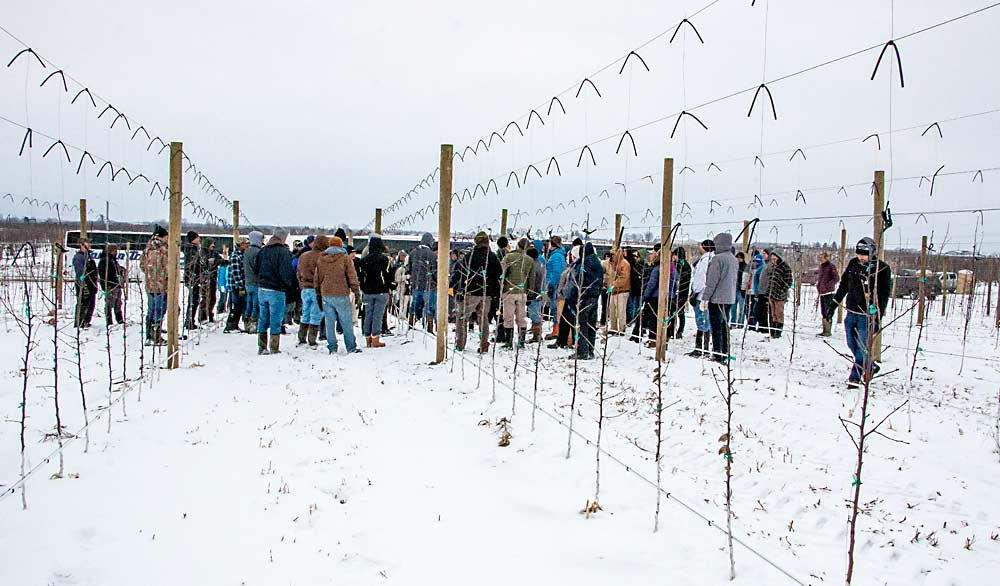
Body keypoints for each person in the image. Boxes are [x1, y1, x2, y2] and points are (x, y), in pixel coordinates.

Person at [825, 238, 892, 388]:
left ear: (872, 253)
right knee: (851, 344)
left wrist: (876, 317)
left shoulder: (882, 269)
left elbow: (883, 295)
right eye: (859, 253)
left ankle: (854, 377)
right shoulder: (853, 264)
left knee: (862, 347)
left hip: (866, 315)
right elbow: (843, 286)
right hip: (851, 311)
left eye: (864, 254)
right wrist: (833, 306)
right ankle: (871, 366)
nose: (861, 257)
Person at [453, 232, 502, 352]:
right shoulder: (492, 257)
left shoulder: (469, 256)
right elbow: (499, 275)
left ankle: (460, 344)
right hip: (486, 293)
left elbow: (462, 273)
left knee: (462, 318)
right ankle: (484, 345)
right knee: (483, 319)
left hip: (470, 292)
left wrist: (460, 289)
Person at [250, 228, 296, 355]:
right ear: (282, 238)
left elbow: (256, 268)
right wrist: (290, 286)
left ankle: (262, 346)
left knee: (263, 317)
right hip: (276, 290)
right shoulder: (283, 252)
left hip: (262, 288)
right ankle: (274, 347)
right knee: (276, 318)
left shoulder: (263, 251)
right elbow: (286, 272)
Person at [316, 235, 362, 354]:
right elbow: (352, 278)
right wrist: (357, 294)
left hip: (326, 294)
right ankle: (351, 347)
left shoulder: (321, 259)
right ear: (341, 246)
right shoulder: (345, 259)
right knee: (346, 322)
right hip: (341, 293)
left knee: (329, 323)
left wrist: (318, 294)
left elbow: (317, 279)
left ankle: (332, 347)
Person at [701, 232, 738, 363]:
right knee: (724, 326)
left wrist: (705, 298)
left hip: (717, 299)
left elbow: (712, 282)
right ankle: (725, 351)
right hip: (729, 298)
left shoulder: (717, 259)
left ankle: (717, 354)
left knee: (716, 327)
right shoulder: (733, 258)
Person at [564, 242, 604, 360]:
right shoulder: (598, 264)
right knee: (591, 325)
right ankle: (590, 350)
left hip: (584, 297)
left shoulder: (583, 264)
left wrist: (572, 298)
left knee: (582, 325)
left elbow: (577, 281)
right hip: (595, 297)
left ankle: (582, 352)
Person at [500, 238, 536, 349]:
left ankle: (509, 342)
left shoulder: (508, 258)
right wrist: (529, 291)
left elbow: (502, 275)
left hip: (509, 291)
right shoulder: (530, 260)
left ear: (517, 246)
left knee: (508, 317)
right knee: (521, 317)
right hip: (522, 292)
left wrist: (501, 289)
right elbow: (532, 278)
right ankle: (521, 341)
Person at [359, 235, 394, 348]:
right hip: (381, 291)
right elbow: (388, 275)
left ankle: (367, 339)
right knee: (378, 316)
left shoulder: (363, 261)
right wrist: (391, 286)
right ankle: (376, 339)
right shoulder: (384, 260)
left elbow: (360, 276)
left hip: (367, 292)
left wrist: (363, 287)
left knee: (368, 314)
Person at [140, 225, 169, 344]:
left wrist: (150, 275)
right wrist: (163, 277)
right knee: (160, 310)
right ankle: (156, 335)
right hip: (161, 285)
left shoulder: (147, 249)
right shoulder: (163, 250)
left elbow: (142, 265)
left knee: (151, 310)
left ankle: (149, 333)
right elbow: (168, 268)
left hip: (150, 285)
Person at [296, 234, 326, 346]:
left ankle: (301, 336)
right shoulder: (322, 257)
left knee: (305, 313)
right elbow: (322, 275)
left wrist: (301, 284)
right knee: (316, 314)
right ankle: (312, 339)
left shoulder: (303, 256)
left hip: (305, 289)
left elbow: (298, 273)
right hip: (316, 289)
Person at [687, 239, 715, 357]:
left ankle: (701, 348)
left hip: (701, 295)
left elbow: (700, 280)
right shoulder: (711, 259)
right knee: (705, 321)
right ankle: (703, 347)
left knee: (702, 320)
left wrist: (694, 292)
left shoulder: (705, 261)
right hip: (707, 295)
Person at [408, 233, 437, 332]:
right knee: (429, 307)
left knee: (414, 305)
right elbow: (434, 271)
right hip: (429, 286)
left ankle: (411, 324)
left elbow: (409, 269)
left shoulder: (412, 253)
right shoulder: (432, 255)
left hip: (416, 285)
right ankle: (429, 328)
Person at [631, 248, 660, 345]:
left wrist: (645, 295)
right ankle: (638, 334)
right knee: (644, 316)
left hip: (651, 295)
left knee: (647, 317)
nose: (650, 256)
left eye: (653, 254)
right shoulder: (651, 266)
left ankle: (647, 337)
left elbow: (651, 283)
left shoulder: (655, 268)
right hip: (649, 294)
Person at [764, 250, 793, 339]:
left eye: (775, 256)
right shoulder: (773, 267)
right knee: (773, 314)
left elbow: (789, 281)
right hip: (771, 294)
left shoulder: (785, 267)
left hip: (779, 295)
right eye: (772, 256)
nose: (773, 258)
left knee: (779, 313)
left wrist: (782, 290)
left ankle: (778, 331)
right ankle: (773, 331)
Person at [225, 237, 249, 333]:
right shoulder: (236, 256)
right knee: (236, 306)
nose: (247, 245)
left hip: (240, 286)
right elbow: (236, 273)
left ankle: (234, 324)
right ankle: (230, 324)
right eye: (246, 243)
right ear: (241, 244)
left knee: (240, 305)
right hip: (236, 287)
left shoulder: (242, 255)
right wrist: (241, 285)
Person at [72, 238, 98, 328]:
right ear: (82, 245)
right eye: (88, 244)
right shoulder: (79, 257)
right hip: (84, 284)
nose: (89, 246)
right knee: (83, 303)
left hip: (91, 283)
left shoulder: (88, 256)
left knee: (90, 303)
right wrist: (83, 285)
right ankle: (80, 322)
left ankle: (86, 321)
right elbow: (80, 272)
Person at [97, 244, 125, 326]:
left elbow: (116, 270)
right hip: (110, 285)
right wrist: (109, 282)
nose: (116, 252)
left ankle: (119, 320)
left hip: (116, 285)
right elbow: (104, 273)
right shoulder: (105, 261)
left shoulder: (112, 260)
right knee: (109, 304)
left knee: (118, 303)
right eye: (115, 251)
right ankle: (109, 322)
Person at [544, 236, 566, 338]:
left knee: (555, 309)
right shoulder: (558, 255)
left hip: (555, 286)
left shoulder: (556, 256)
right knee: (554, 309)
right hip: (556, 285)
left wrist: (550, 284)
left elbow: (557, 272)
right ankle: (556, 330)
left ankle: (556, 331)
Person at [667, 246, 691, 339]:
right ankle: (680, 330)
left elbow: (676, 279)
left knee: (672, 312)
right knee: (680, 312)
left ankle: (672, 330)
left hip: (677, 292)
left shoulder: (677, 265)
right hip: (684, 292)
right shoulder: (687, 265)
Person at [182, 231, 204, 329]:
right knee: (193, 300)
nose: (199, 239)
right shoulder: (191, 251)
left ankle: (190, 320)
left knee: (194, 299)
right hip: (193, 278)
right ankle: (189, 321)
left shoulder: (193, 249)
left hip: (193, 277)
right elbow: (193, 264)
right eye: (198, 237)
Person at [243, 230, 264, 332]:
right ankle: (253, 324)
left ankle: (246, 322)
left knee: (248, 303)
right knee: (256, 305)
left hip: (248, 281)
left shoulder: (246, 251)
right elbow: (258, 267)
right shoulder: (258, 252)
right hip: (256, 282)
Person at [607, 248, 631, 335]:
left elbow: (624, 278)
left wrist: (614, 284)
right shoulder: (614, 264)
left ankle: (621, 329)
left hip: (622, 291)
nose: (612, 257)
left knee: (621, 311)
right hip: (614, 291)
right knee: (612, 310)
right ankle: (613, 328)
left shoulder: (624, 264)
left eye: (613, 255)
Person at [816, 252, 840, 337]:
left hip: (829, 293)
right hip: (822, 293)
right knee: (823, 311)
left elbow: (836, 278)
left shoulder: (831, 267)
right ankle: (824, 330)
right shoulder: (822, 267)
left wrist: (828, 285)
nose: (820, 259)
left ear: (826, 258)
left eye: (822, 257)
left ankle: (828, 331)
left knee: (828, 311)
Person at [526, 247, 546, 343]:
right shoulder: (540, 264)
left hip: (535, 293)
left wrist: (530, 293)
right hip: (540, 293)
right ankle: (536, 333)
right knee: (535, 313)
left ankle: (537, 336)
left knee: (535, 315)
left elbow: (533, 281)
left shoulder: (533, 266)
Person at [747, 251, 766, 332]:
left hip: (759, 293)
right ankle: (752, 326)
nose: (756, 262)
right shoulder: (755, 268)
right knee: (752, 310)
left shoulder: (762, 268)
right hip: (754, 292)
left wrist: (757, 293)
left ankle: (759, 326)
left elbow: (760, 282)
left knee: (757, 311)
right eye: (755, 261)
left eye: (758, 261)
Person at [730, 252, 748, 328]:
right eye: (737, 257)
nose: (738, 259)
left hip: (741, 290)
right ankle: (733, 323)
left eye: (740, 258)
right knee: (733, 308)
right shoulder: (733, 266)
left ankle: (740, 324)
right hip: (734, 289)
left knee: (742, 308)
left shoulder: (745, 267)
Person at [626, 247, 642, 326]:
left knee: (634, 305)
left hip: (636, 288)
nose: (635, 258)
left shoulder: (637, 265)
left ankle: (633, 319)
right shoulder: (634, 264)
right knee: (634, 305)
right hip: (635, 288)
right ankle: (634, 319)